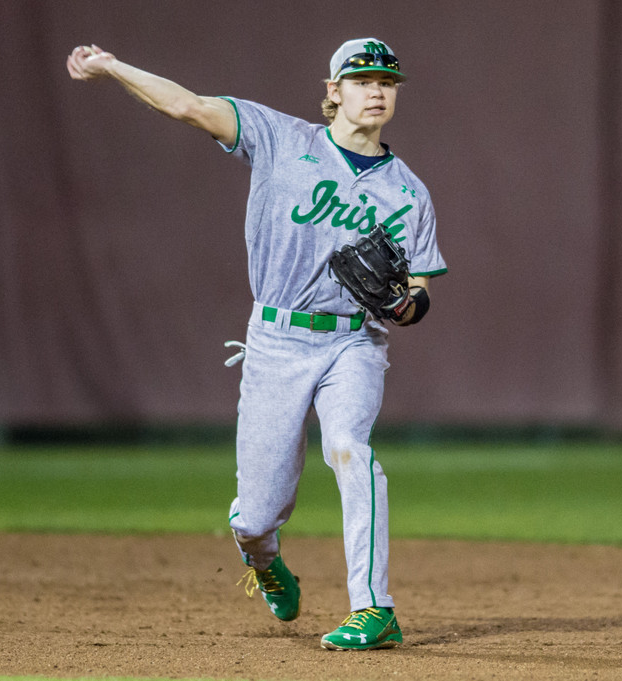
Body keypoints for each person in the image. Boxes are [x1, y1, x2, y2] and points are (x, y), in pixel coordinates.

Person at [66, 37, 447, 651]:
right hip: (275, 341)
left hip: (355, 341)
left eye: (387, 81)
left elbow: (420, 292)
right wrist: (112, 68)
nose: (377, 90)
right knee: (255, 517)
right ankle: (264, 561)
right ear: (333, 92)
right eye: (362, 79)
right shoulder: (279, 138)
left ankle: (375, 608)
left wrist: (406, 304)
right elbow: (189, 107)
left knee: (351, 448)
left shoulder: (409, 192)